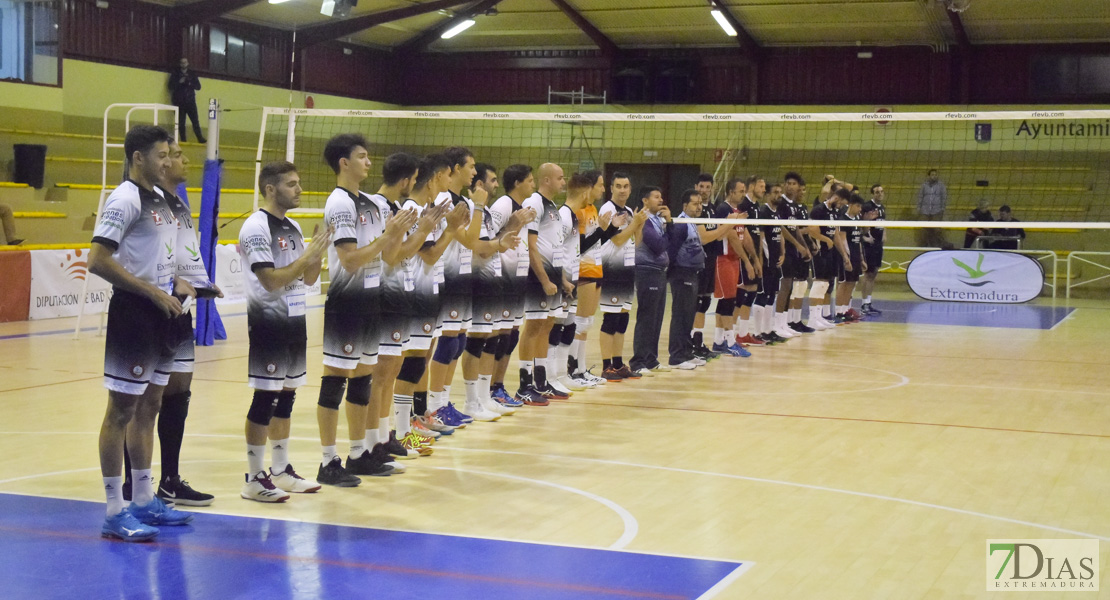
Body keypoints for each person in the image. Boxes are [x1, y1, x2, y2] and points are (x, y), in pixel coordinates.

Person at [89, 124, 195, 540]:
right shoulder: (125, 197)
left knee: (151, 405)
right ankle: (115, 510)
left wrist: (180, 283)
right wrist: (151, 290)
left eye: (170, 154)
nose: (168, 162)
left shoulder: (164, 202)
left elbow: (161, 255)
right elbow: (97, 259)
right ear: (138, 158)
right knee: (120, 411)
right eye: (161, 155)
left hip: (164, 312)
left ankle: (145, 500)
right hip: (135, 314)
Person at [315, 134, 414, 487]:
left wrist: (398, 234)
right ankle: (328, 460)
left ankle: (358, 453)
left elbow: (387, 257)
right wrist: (387, 236)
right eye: (362, 156)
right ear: (344, 163)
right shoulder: (340, 204)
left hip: (372, 301)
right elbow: (351, 260)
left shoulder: (371, 205)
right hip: (347, 303)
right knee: (335, 381)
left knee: (362, 380)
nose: (369, 163)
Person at [123, 140, 217, 507]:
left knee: (177, 391)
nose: (180, 160)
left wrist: (200, 286)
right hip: (150, 309)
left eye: (174, 154)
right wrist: (174, 281)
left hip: (181, 309)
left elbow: (182, 253)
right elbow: (131, 257)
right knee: (143, 399)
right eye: (171, 155)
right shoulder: (143, 201)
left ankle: (169, 479)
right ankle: (134, 485)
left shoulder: (177, 202)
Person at [238, 162, 333, 502]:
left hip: (295, 319)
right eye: (292, 184)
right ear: (270, 189)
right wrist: (306, 256)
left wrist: (316, 258)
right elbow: (271, 280)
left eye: (299, 182)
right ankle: (253, 477)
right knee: (265, 397)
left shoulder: (292, 226)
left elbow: (306, 280)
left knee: (287, 396)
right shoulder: (255, 227)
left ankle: (280, 470)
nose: (299, 189)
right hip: (268, 321)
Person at [516, 163, 569, 404]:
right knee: (534, 326)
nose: (563, 182)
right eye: (559, 178)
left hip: (554, 275)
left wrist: (562, 279)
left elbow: (554, 245)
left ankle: (541, 381)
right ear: (546, 180)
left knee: (546, 326)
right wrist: (545, 279)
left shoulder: (554, 207)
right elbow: (532, 246)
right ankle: (524, 384)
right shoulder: (535, 203)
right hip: (539, 277)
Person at [489, 165, 537, 403]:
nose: (533, 185)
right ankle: (490, 388)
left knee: (512, 335)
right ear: (517, 183)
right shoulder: (503, 205)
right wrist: (513, 225)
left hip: (518, 278)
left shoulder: (522, 209)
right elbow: (488, 240)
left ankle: (498, 385)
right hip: (503, 279)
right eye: (529, 181)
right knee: (501, 335)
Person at [598, 172, 648, 381]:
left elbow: (636, 243)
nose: (622, 190)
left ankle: (618, 364)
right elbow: (617, 240)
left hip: (628, 268)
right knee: (611, 318)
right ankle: (606, 366)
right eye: (618, 186)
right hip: (612, 270)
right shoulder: (607, 210)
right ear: (611, 188)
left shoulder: (628, 211)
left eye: (626, 186)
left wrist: (639, 225)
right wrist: (634, 224)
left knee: (623, 319)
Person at [668, 190, 726, 369]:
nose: (699, 207)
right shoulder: (681, 224)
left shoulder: (693, 223)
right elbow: (672, 250)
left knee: (688, 316)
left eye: (700, 203)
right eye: (695, 204)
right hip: (682, 274)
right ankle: (676, 356)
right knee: (680, 316)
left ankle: (686, 352)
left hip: (693, 273)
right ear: (685, 206)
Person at [568, 171, 614, 387]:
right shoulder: (578, 212)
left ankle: (581, 369)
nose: (603, 189)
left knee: (587, 323)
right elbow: (580, 246)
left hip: (595, 268)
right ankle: (573, 370)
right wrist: (603, 229)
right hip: (583, 270)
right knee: (580, 323)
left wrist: (610, 229)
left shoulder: (593, 209)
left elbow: (597, 242)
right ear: (589, 187)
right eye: (601, 185)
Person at [710, 178, 754, 357]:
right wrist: (748, 262)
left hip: (734, 261)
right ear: (731, 191)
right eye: (741, 191)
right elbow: (732, 237)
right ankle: (729, 342)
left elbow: (744, 235)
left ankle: (719, 341)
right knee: (727, 301)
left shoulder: (738, 211)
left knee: (727, 301)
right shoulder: (723, 209)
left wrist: (751, 259)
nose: (743, 194)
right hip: (724, 260)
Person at [629, 187, 670, 376]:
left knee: (657, 316)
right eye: (656, 196)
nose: (660, 199)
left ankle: (651, 358)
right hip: (647, 271)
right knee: (646, 317)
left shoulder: (657, 220)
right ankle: (638, 361)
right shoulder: (643, 220)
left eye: (661, 196)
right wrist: (670, 226)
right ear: (645, 201)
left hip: (660, 271)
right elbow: (659, 245)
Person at [834, 194, 867, 323]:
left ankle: (845, 310)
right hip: (846, 256)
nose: (860, 209)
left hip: (856, 256)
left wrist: (861, 258)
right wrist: (846, 258)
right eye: (858, 206)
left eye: (861, 207)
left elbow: (858, 241)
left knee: (852, 283)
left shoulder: (857, 219)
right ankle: (838, 312)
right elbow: (842, 241)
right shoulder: (843, 219)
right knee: (844, 283)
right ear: (851, 205)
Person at [860, 184, 887, 315]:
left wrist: (885, 234)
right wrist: (866, 237)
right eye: (877, 192)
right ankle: (864, 304)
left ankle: (869, 303)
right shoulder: (867, 206)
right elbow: (861, 224)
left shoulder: (882, 207)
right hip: (869, 245)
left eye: (881, 192)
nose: (880, 194)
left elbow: (883, 222)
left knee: (874, 273)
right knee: (868, 274)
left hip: (878, 245)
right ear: (872, 194)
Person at [167, 58, 205, 144]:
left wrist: (189, 83)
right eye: (182, 63)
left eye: (185, 62)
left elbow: (198, 87)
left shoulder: (192, 74)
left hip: (190, 101)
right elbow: (170, 86)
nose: (183, 64)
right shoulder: (175, 73)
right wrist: (179, 82)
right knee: (181, 122)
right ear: (180, 64)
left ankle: (200, 138)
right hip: (179, 101)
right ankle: (183, 139)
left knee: (195, 120)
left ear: (188, 63)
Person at [916, 168, 948, 247]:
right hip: (925, 211)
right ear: (929, 176)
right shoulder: (924, 185)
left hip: (936, 211)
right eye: (932, 175)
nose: (934, 176)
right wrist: (919, 208)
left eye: (935, 175)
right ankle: (923, 245)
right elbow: (920, 196)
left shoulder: (941, 185)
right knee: (923, 229)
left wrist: (942, 208)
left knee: (936, 230)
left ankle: (937, 245)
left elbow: (944, 197)